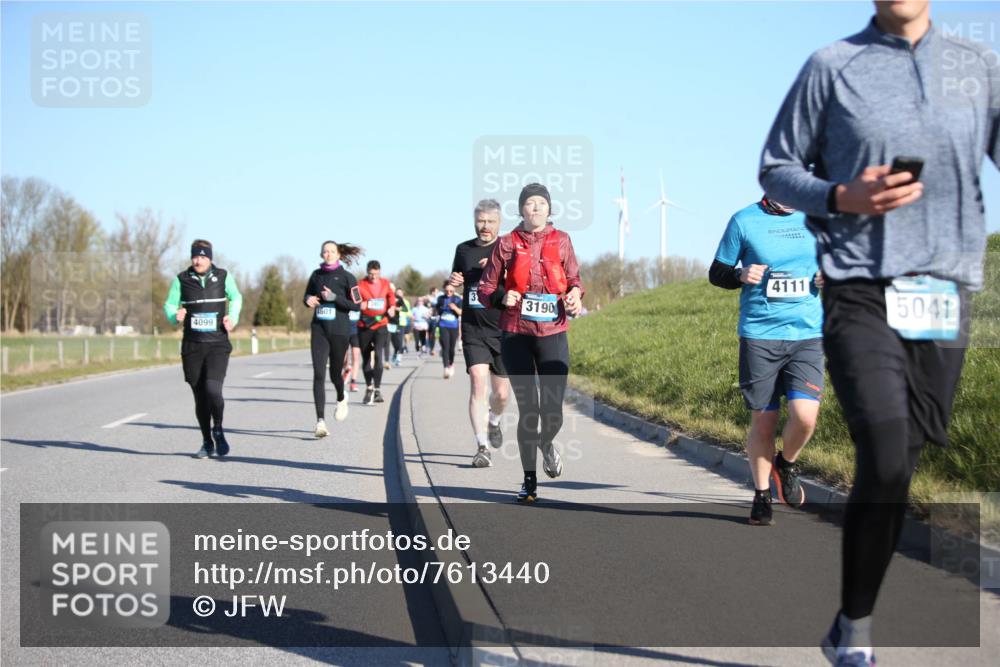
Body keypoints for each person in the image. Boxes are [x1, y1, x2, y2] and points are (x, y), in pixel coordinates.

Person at [759, 2, 999, 665]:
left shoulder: (978, 65)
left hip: (944, 290)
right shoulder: (833, 67)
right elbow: (776, 167)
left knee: (905, 462)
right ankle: (858, 634)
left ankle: (844, 619)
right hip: (860, 285)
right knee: (886, 450)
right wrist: (842, 195)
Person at [709, 197, 824, 525]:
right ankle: (761, 495)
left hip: (807, 333)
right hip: (760, 334)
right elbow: (717, 272)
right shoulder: (744, 220)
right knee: (764, 420)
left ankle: (786, 463)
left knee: (805, 418)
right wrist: (740, 274)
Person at [479, 183, 583, 502]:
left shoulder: (562, 240)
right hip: (516, 334)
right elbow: (485, 288)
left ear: (549, 210)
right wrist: (501, 295)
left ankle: (546, 443)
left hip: (553, 332)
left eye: (541, 204)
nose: (535, 209)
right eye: (529, 204)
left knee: (551, 412)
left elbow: (575, 280)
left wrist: (576, 295)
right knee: (529, 410)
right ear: (521, 209)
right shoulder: (507, 243)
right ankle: (529, 481)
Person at [163, 239, 243, 459]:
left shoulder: (224, 276)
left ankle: (218, 428)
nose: (198, 260)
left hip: (217, 344)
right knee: (200, 397)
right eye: (195, 257)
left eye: (203, 257)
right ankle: (207, 442)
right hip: (192, 347)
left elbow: (236, 297)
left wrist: (232, 317)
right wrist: (174, 315)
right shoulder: (181, 280)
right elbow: (170, 304)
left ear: (210, 258)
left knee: (213, 390)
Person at [449, 198, 512, 468]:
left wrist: (500, 267)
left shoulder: (508, 248)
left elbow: (521, 282)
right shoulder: (463, 249)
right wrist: (455, 281)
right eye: (480, 221)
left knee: (501, 395)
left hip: (503, 328)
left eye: (490, 222)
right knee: (477, 381)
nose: (484, 226)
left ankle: (494, 421)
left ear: (499, 223)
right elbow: (456, 277)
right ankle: (482, 446)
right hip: (473, 327)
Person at [303, 240, 362, 438]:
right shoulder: (316, 275)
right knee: (318, 374)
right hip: (319, 329)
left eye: (331, 251)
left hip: (339, 331)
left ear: (338, 255)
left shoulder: (347, 277)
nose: (328, 254)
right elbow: (308, 296)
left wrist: (334, 298)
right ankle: (320, 421)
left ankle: (341, 396)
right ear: (321, 255)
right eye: (325, 251)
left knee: (335, 374)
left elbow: (357, 305)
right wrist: (308, 300)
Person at [357, 260, 396, 405]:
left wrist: (391, 307)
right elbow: (353, 300)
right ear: (367, 272)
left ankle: (378, 389)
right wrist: (359, 304)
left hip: (381, 324)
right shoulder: (360, 284)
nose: (374, 277)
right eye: (371, 274)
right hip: (365, 324)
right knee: (366, 358)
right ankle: (369, 387)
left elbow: (391, 298)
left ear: (380, 272)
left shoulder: (385, 283)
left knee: (379, 355)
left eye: (376, 274)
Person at [435, 281, 462, 378]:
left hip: (454, 326)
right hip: (443, 325)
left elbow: (461, 313)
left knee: (451, 348)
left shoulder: (457, 299)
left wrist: (454, 308)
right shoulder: (440, 299)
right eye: (447, 291)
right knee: (445, 347)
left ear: (454, 290)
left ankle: (451, 363)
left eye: (451, 291)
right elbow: (437, 310)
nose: (449, 293)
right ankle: (445, 368)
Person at [391, 287, 411, 366]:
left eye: (400, 293)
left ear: (403, 294)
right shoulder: (392, 299)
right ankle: (395, 353)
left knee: (399, 341)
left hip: (401, 323)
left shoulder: (405, 302)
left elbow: (407, 311)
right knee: (394, 341)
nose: (399, 294)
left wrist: (400, 309)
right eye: (397, 292)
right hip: (393, 323)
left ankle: (399, 358)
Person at [345, 310, 362, 392]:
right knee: (343, 356)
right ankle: (346, 369)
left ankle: (353, 382)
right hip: (344, 331)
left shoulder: (359, 299)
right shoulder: (344, 298)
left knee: (356, 357)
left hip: (356, 332)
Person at [426, 285, 441, 356]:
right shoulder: (427, 299)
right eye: (436, 292)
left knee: (435, 334)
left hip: (437, 318)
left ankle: (434, 349)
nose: (437, 293)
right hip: (429, 319)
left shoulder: (438, 299)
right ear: (432, 292)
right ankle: (430, 348)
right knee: (430, 334)